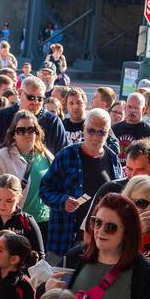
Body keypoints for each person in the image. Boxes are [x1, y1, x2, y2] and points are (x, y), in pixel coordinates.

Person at [39, 108, 122, 259]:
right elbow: (44, 189)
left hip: (100, 240)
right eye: (91, 131)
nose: (95, 136)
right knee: (57, 281)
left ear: (108, 132)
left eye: (101, 132)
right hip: (64, 238)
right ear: (83, 128)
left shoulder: (112, 159)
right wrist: (63, 201)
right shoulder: (66, 155)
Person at [0, 77, 65, 172]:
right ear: (20, 93)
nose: (35, 102)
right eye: (31, 97)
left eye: (40, 99)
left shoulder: (53, 122)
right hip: (3, 181)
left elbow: (62, 159)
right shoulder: (1, 117)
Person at [0, 109, 53, 216]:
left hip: (45, 221)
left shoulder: (46, 155)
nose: (26, 134)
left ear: (37, 132)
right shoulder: (0, 158)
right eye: (21, 130)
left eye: (31, 129)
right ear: (13, 134)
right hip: (16, 222)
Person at [110, 92, 150, 158]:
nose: (132, 110)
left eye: (136, 108)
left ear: (143, 110)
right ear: (125, 108)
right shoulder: (114, 129)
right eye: (129, 107)